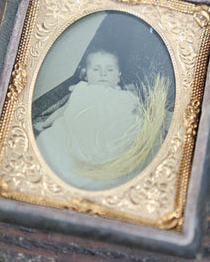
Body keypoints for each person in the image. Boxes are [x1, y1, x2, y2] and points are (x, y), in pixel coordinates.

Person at [35, 50, 143, 190]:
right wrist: (46, 123)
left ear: (118, 76)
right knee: (56, 144)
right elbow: (64, 110)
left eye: (109, 69)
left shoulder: (124, 96)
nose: (103, 73)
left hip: (106, 133)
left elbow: (132, 115)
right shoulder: (82, 89)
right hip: (78, 129)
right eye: (96, 69)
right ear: (86, 75)